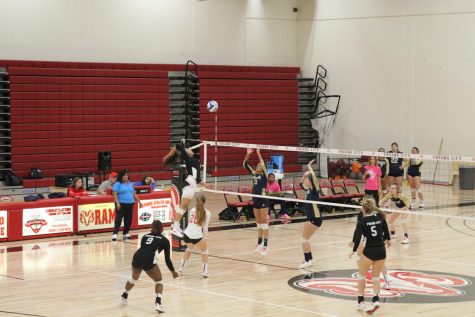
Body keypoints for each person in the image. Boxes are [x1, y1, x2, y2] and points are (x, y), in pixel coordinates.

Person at [120, 220, 179, 313]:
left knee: (133, 279)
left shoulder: (145, 236)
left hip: (137, 257)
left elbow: (144, 249)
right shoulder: (164, 240)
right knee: (159, 281)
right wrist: (173, 271)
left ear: (152, 227)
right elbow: (167, 259)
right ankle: (158, 304)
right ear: (162, 229)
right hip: (149, 260)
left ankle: (124, 295)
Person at [349, 198, 391, 314]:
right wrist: (388, 239)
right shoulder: (379, 218)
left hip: (369, 252)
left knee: (361, 277)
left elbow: (358, 238)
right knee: (376, 278)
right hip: (381, 251)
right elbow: (385, 228)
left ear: (363, 209)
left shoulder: (362, 221)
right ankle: (375, 300)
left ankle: (361, 302)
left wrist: (353, 251)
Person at [162, 142, 204, 238]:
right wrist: (168, 155)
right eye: (189, 149)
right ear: (186, 152)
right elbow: (177, 146)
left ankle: (176, 227)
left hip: (192, 185)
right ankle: (175, 228)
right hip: (189, 184)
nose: (191, 150)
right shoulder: (188, 159)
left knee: (183, 208)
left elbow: (198, 179)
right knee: (182, 207)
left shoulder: (195, 162)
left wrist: (207, 185)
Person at [243, 148, 269, 256]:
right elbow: (245, 164)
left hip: (263, 199)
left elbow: (263, 164)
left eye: (259, 166)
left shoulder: (265, 175)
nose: (258, 166)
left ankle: (265, 245)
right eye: (257, 165)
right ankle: (259, 243)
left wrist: (258, 153)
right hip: (255, 199)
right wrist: (248, 154)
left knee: (264, 222)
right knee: (258, 222)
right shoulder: (254, 173)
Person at [178, 194, 211, 278]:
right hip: (196, 236)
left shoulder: (192, 209)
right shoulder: (207, 213)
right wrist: (204, 238)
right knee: (205, 250)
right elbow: (205, 228)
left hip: (187, 234)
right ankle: (205, 272)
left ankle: (181, 269)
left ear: (196, 202)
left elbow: (191, 223)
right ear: (204, 202)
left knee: (189, 248)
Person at [298, 159, 322, 269]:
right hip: (310, 217)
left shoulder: (314, 190)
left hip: (315, 217)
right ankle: (310, 259)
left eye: (307, 179)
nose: (305, 181)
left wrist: (309, 167)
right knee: (304, 239)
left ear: (311, 182)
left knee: (304, 239)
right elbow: (299, 183)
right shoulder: (307, 190)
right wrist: (304, 174)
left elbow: (315, 179)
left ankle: (308, 260)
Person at [112, 169, 142, 241]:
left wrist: (139, 201)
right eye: (124, 175)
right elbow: (115, 195)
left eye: (127, 175)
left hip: (130, 204)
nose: (126, 176)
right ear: (121, 176)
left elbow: (134, 194)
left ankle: (126, 232)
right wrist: (117, 203)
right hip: (121, 204)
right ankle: (115, 234)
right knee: (118, 219)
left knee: (128, 219)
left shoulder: (129, 184)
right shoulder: (117, 184)